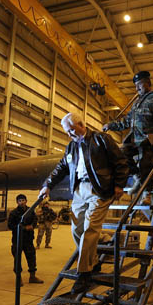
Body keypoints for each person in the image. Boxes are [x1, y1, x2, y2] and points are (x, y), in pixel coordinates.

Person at [40, 112, 128, 294]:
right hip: (79, 190)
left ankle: (84, 273)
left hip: (99, 189)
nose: (69, 134)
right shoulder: (71, 147)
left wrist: (119, 184)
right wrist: (48, 185)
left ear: (81, 125)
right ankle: (93, 261)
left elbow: (121, 162)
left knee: (90, 228)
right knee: (76, 229)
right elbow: (61, 167)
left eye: (71, 130)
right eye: (67, 131)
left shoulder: (101, 139)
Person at [102, 71, 153, 201]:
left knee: (146, 164)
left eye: (139, 84)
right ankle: (138, 178)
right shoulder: (136, 103)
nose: (137, 88)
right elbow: (126, 122)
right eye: (135, 86)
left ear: (147, 83)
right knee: (121, 154)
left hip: (150, 138)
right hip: (134, 138)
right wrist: (111, 125)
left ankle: (147, 194)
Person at [7, 194, 43, 285]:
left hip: (28, 239)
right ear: (17, 202)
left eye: (23, 200)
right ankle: (18, 278)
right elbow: (10, 225)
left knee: (31, 258)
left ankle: (32, 277)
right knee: (17, 259)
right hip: (18, 240)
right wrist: (23, 228)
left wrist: (32, 226)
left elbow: (35, 220)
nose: (22, 202)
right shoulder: (13, 213)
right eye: (20, 201)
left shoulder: (30, 211)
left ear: (26, 201)